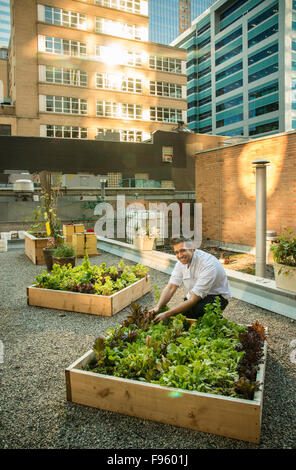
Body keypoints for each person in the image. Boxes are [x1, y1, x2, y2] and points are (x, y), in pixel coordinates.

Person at [150, 237, 232, 323]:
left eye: (182, 250)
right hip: (195, 294)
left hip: (216, 296)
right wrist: (157, 307)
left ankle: (219, 321)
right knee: (183, 316)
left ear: (192, 248)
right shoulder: (181, 263)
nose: (180, 255)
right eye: (176, 252)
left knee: (198, 315)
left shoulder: (207, 264)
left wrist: (167, 314)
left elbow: (193, 300)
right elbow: (171, 287)